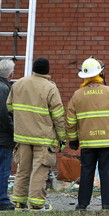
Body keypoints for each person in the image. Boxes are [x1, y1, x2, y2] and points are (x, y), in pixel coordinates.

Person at [66, 56, 109, 211]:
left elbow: (70, 121)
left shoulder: (77, 95)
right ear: (100, 74)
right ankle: (107, 203)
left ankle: (82, 204)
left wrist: (73, 140)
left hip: (87, 141)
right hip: (107, 140)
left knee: (86, 171)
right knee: (106, 171)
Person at [6, 57, 66, 211]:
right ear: (47, 70)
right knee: (39, 170)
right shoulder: (50, 88)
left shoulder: (18, 84)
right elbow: (58, 116)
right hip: (43, 138)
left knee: (22, 170)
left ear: (33, 68)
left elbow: (10, 107)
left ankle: (19, 202)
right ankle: (37, 204)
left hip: (22, 136)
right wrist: (62, 137)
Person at [0, 59, 16, 211]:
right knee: (4, 170)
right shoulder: (4, 89)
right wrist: (14, 131)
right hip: (3, 138)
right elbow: (5, 115)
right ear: (11, 74)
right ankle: (3, 200)